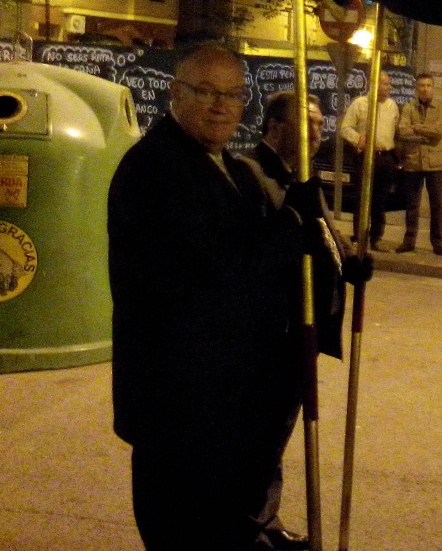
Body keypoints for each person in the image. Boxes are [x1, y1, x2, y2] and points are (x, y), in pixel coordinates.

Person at [108, 44, 323, 550]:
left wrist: (329, 261)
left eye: (233, 94)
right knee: (186, 530)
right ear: (175, 93)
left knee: (224, 525)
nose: (221, 106)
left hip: (224, 397)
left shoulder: (224, 163)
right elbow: (218, 269)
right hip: (181, 400)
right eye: (206, 92)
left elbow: (261, 249)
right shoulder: (157, 168)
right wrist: (292, 223)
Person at [239, 90, 372, 550]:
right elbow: (257, 253)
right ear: (276, 126)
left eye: (319, 123)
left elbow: (322, 232)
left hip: (302, 331)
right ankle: (249, 526)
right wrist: (292, 221)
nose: (316, 132)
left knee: (276, 432)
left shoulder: (299, 175)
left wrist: (348, 261)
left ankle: (263, 518)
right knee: (261, 433)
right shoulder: (252, 173)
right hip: (272, 333)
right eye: (306, 122)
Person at [339, 70, 400, 252]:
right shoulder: (360, 104)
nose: (389, 87)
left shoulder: (392, 106)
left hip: (385, 157)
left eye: (389, 84)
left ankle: (377, 238)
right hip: (366, 156)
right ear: (374, 84)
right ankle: (360, 237)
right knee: (362, 198)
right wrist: (358, 138)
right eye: (385, 83)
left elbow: (396, 130)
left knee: (380, 200)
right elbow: (345, 128)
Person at [395, 73, 442, 255]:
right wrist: (426, 135)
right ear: (416, 88)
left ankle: (438, 242)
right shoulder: (408, 108)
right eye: (421, 85)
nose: (425, 89)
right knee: (412, 205)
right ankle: (409, 241)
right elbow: (403, 131)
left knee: (437, 205)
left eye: (428, 85)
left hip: (436, 164)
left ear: (433, 88)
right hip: (413, 161)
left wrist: (416, 127)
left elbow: (439, 132)